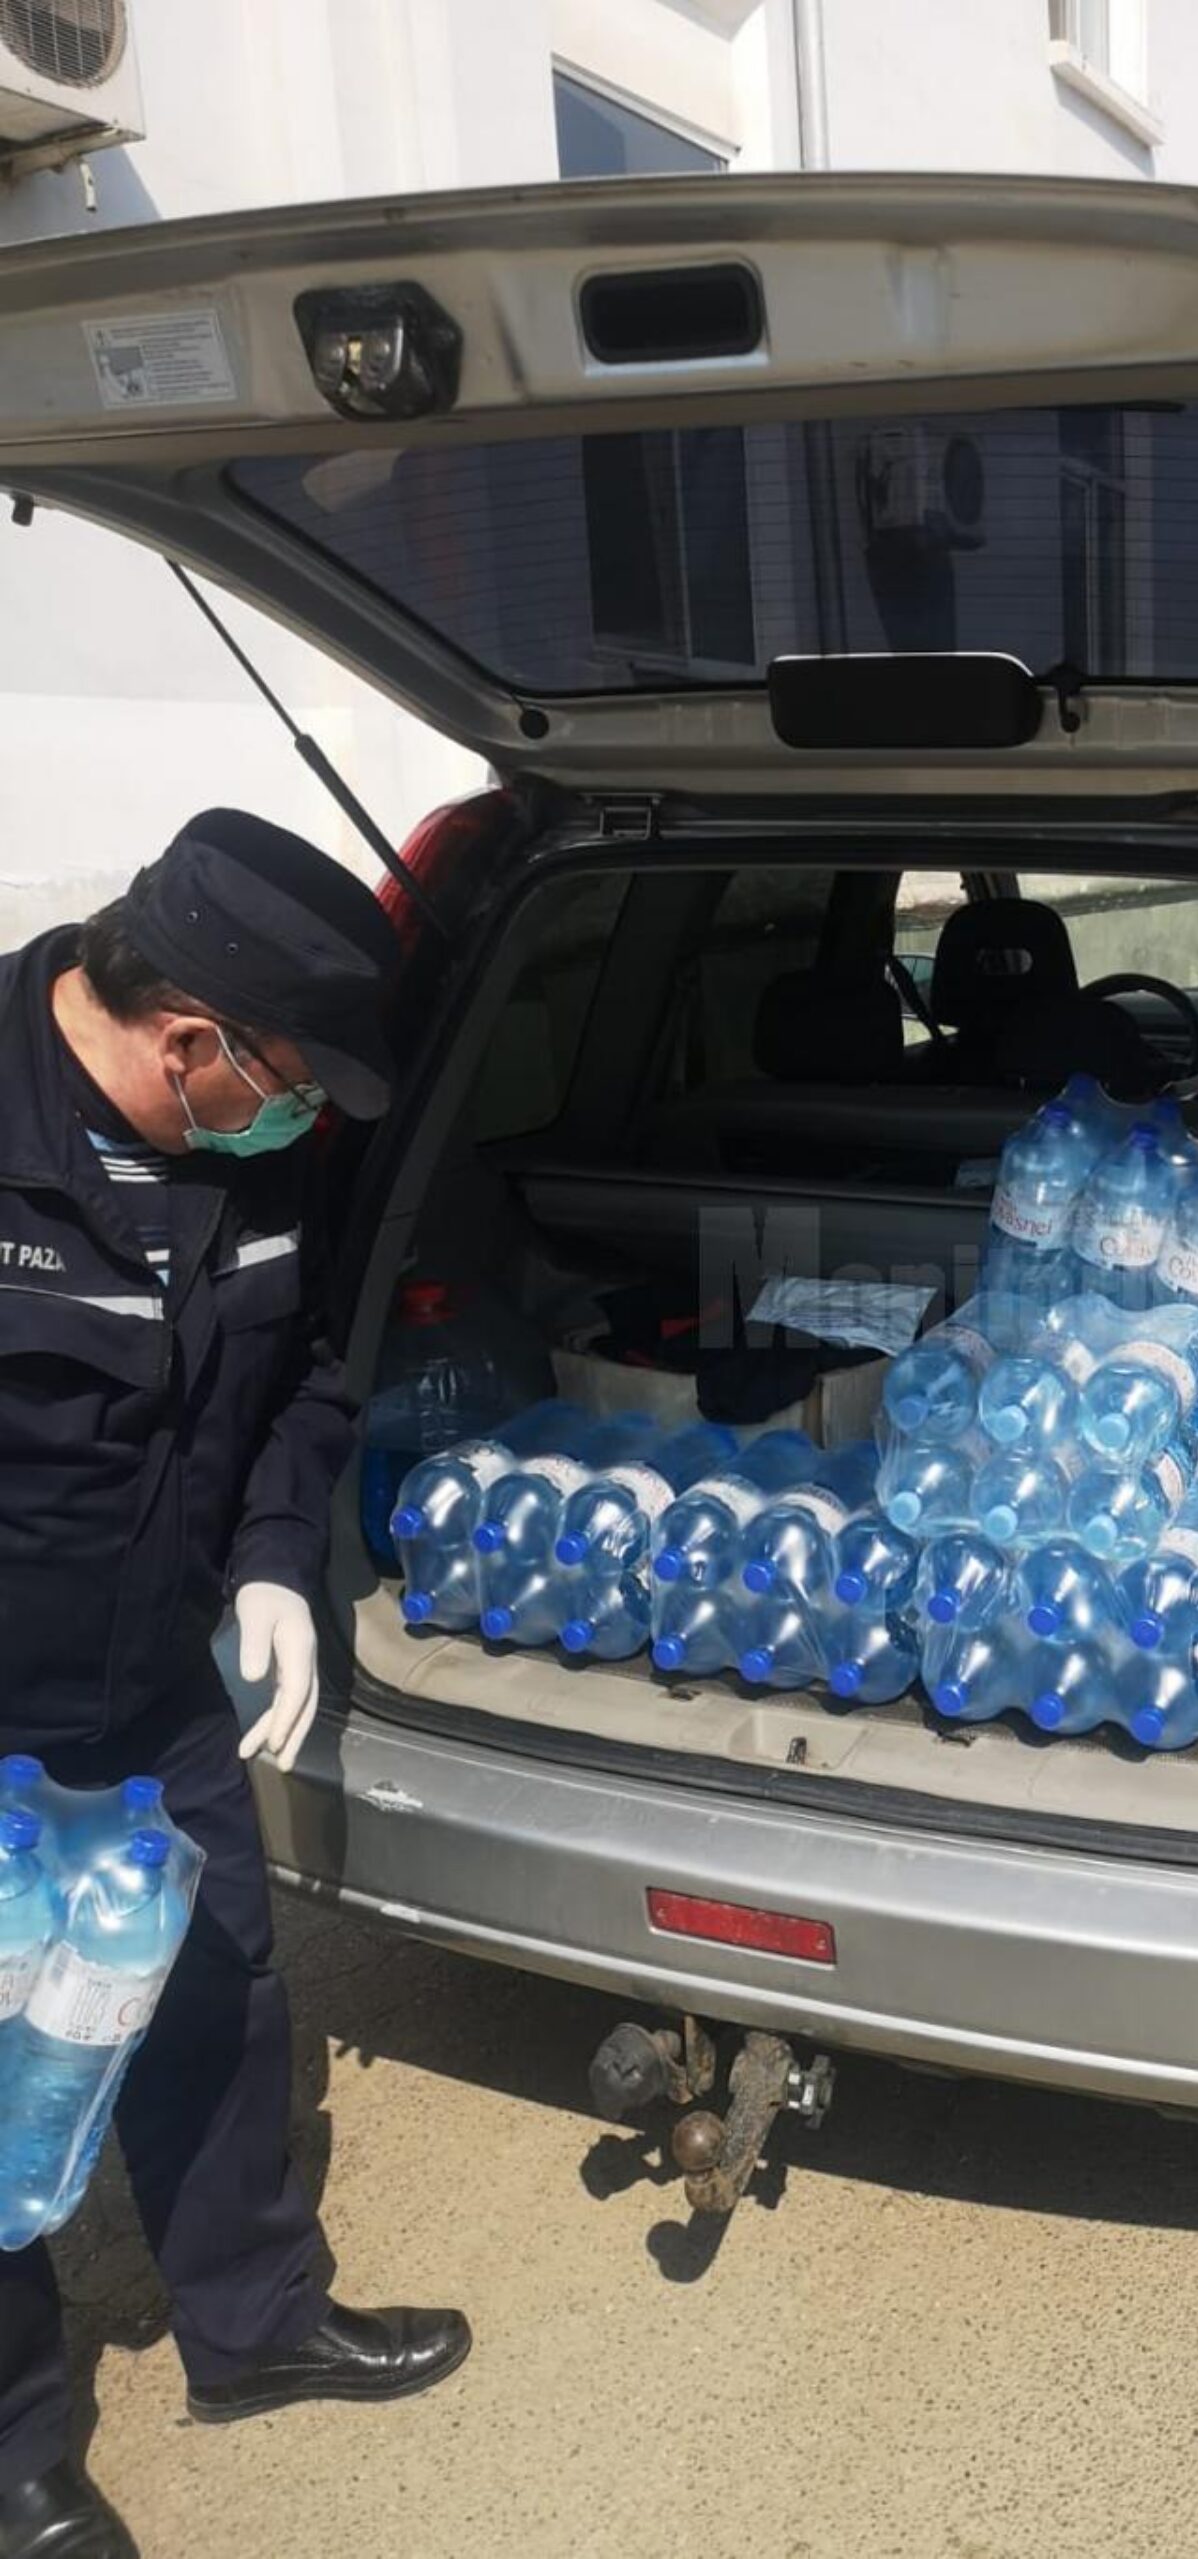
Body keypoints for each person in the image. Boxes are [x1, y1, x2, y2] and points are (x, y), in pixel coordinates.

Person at [0, 812, 469, 2559]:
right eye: (287, 1087)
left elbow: (303, 1371)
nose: (302, 1124)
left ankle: (253, 2325)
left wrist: (274, 1556)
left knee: (217, 1986)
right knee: (1, 2055)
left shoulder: (248, 1148)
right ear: (191, 1038)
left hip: (155, 1678)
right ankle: (15, 2451)